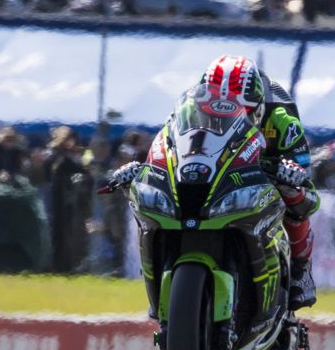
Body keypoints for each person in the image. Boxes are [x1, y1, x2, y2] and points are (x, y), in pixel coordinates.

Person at [109, 55, 319, 310]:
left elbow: (304, 175)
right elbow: (169, 144)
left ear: (259, 106)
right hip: (218, 174)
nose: (221, 113)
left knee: (298, 201)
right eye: (213, 107)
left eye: (242, 108)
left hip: (263, 173)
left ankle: (300, 270)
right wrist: (142, 169)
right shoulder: (187, 111)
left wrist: (291, 172)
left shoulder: (282, 120)